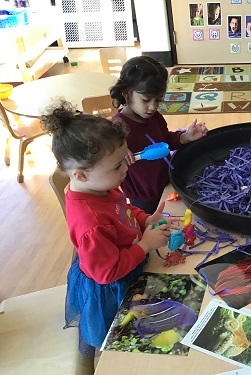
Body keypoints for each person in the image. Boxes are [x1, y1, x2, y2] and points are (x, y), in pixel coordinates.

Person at [40, 100, 181, 356]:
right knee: (117, 340)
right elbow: (107, 272)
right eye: (118, 166)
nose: (127, 168)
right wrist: (145, 245)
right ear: (81, 174)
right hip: (111, 286)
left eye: (124, 160)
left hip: (127, 260)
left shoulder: (99, 185)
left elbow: (123, 209)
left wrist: (143, 219)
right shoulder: (90, 224)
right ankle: (98, 356)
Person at [110, 56, 207, 214]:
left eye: (158, 100)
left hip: (167, 184)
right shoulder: (117, 129)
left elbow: (165, 141)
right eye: (146, 100)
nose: (152, 107)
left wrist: (184, 137)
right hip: (143, 199)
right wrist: (117, 155)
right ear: (126, 93)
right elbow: (103, 163)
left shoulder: (154, 117)